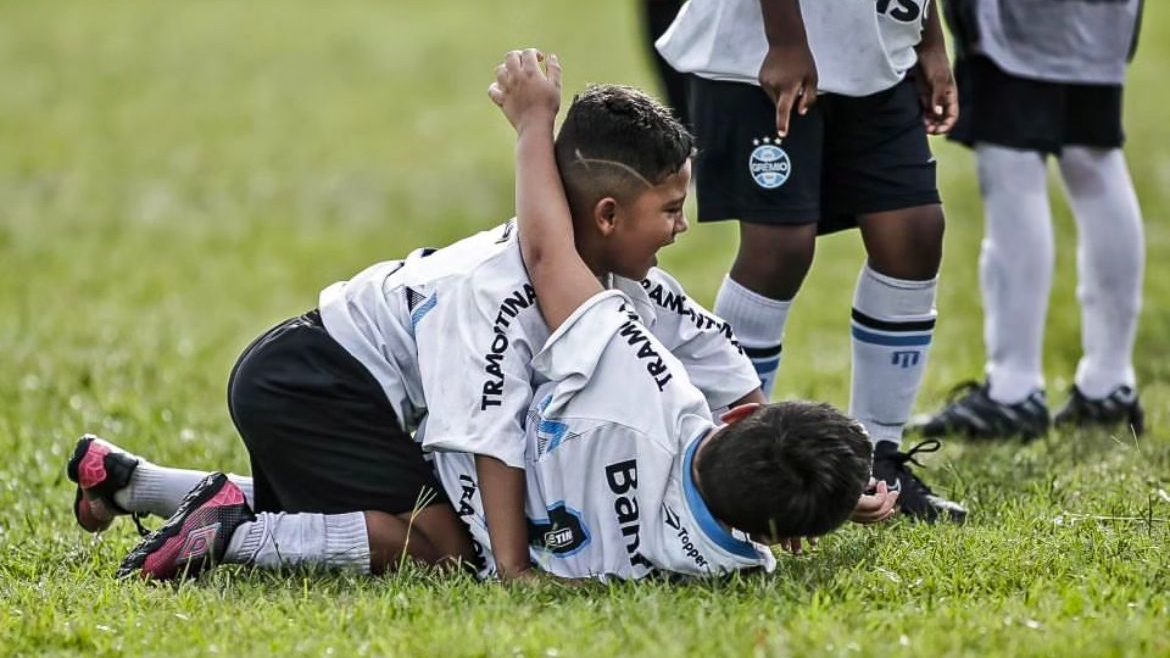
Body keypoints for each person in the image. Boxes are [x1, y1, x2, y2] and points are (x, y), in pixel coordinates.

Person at [90, 79, 768, 582]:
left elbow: (713, 358)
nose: (683, 226)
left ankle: (128, 482)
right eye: (672, 209)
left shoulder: (618, 281)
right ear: (610, 217)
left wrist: (778, 469)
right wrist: (510, 568)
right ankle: (231, 534)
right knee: (445, 543)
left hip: (326, 380)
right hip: (310, 384)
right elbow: (487, 438)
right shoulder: (496, 295)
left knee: (415, 512)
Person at [427, 48, 892, 580]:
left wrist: (533, 124)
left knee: (431, 538)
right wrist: (799, 498)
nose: (683, 226)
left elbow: (547, 256)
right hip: (382, 383)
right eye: (673, 209)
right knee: (436, 537)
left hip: (394, 401)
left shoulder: (637, 367)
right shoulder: (735, 565)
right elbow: (718, 355)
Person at [655, 0, 966, 522]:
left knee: (914, 230)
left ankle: (880, 456)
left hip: (877, 51)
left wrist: (930, 43)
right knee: (779, 248)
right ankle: (718, 464)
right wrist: (787, 42)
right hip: (763, 51)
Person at [916, 0, 1146, 440]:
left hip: (1019, 22)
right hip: (1104, 17)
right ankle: (1109, 382)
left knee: (1012, 164)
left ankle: (1013, 388)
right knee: (1094, 156)